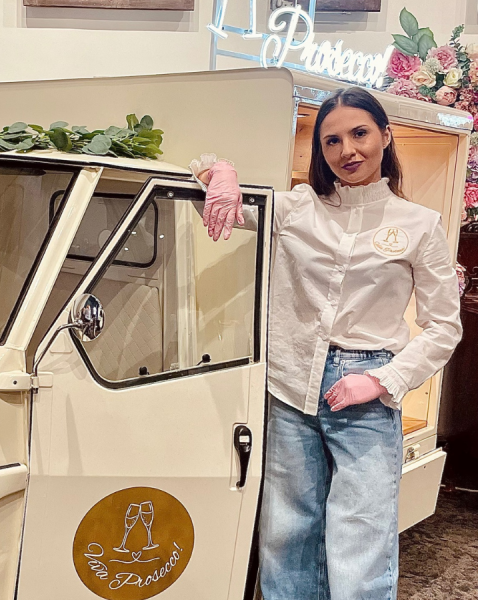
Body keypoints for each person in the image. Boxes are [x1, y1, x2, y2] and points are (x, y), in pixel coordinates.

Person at [191, 87, 462, 600]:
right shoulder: (296, 208)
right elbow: (215, 187)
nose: (347, 150)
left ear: (385, 136)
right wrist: (220, 173)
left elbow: (445, 325)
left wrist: (382, 379)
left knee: (361, 536)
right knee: (285, 531)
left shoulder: (419, 224)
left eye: (359, 134)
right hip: (290, 385)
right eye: (331, 140)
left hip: (366, 390)